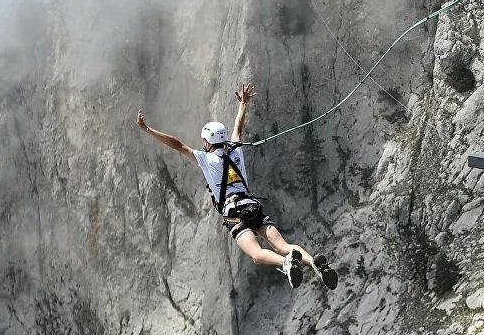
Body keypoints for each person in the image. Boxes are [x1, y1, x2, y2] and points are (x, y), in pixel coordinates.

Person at [136, 83, 338, 289]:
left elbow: (177, 144)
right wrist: (243, 105)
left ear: (207, 142)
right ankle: (314, 263)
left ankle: (285, 263)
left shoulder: (206, 159)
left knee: (257, 255)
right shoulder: (236, 152)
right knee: (283, 246)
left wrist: (148, 129)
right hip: (253, 206)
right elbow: (237, 129)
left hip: (235, 212)